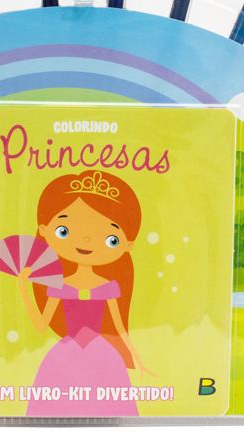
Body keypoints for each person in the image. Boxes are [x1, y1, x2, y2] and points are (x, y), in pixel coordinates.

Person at [17, 169, 151, 417]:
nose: (87, 240)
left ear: (128, 245)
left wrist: (137, 359)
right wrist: (23, 289)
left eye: (111, 239)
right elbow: (41, 326)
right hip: (65, 355)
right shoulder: (58, 285)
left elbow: (120, 329)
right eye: (64, 231)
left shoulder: (109, 286)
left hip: (102, 355)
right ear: (44, 230)